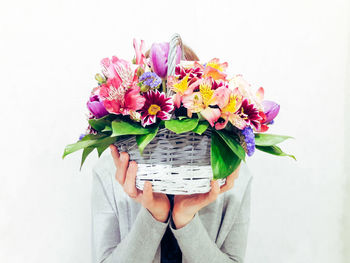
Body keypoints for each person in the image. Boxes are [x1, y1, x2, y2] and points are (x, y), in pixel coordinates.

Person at [91, 46, 253, 263]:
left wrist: (185, 218)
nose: (170, 130)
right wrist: (153, 217)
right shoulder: (111, 171)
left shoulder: (229, 173)